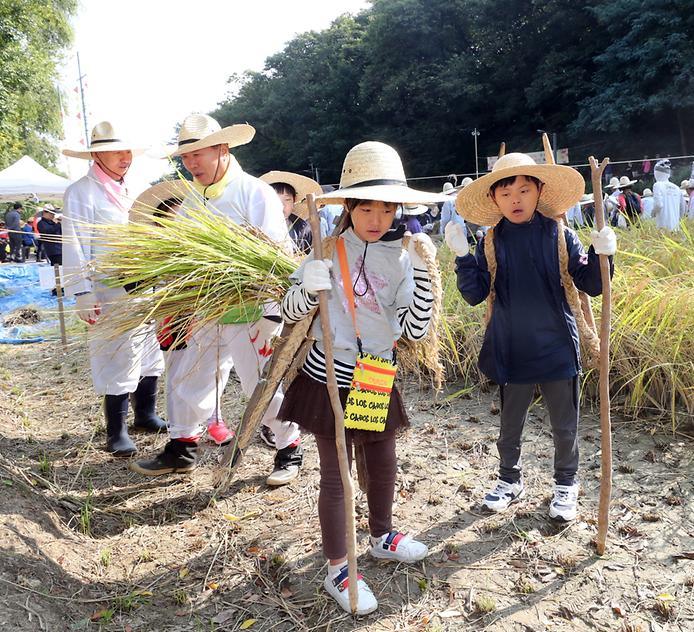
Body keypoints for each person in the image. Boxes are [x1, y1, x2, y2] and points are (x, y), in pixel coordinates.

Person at [277, 141, 442, 615]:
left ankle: (383, 535)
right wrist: (309, 287)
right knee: (337, 475)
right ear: (348, 206)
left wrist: (428, 275)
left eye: (387, 207)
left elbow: (412, 328)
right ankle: (337, 567)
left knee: (382, 456)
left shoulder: (404, 257)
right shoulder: (325, 248)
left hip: (376, 372)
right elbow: (288, 312)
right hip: (328, 373)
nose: (377, 217)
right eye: (366, 206)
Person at [445, 152, 616, 523]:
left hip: (556, 343)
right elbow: (475, 294)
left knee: (564, 424)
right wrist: (461, 256)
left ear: (540, 191)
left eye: (524, 190)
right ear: (493, 200)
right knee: (510, 423)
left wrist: (602, 254)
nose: (516, 200)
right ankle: (509, 480)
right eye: (506, 194)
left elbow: (591, 284)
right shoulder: (491, 242)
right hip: (511, 345)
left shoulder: (558, 234)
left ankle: (566, 484)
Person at [131, 114, 300, 479]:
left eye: (199, 154)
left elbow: (276, 256)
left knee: (263, 384)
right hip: (208, 308)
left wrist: (271, 313)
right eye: (186, 158)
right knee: (191, 378)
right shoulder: (193, 202)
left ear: (222, 149)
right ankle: (182, 447)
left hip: (253, 309)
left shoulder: (255, 193)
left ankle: (288, 448)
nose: (192, 164)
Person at [61, 121, 167, 456]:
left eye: (128, 151)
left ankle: (145, 414)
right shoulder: (81, 191)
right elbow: (74, 242)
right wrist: (82, 291)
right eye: (116, 150)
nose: (125, 157)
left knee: (149, 352)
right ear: (96, 154)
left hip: (145, 285)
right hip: (107, 291)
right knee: (116, 356)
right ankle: (116, 431)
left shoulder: (137, 187)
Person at [261, 171, 324, 256]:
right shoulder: (254, 226)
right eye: (275, 199)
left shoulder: (303, 229)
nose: (281, 205)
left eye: (287, 200)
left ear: (294, 201)